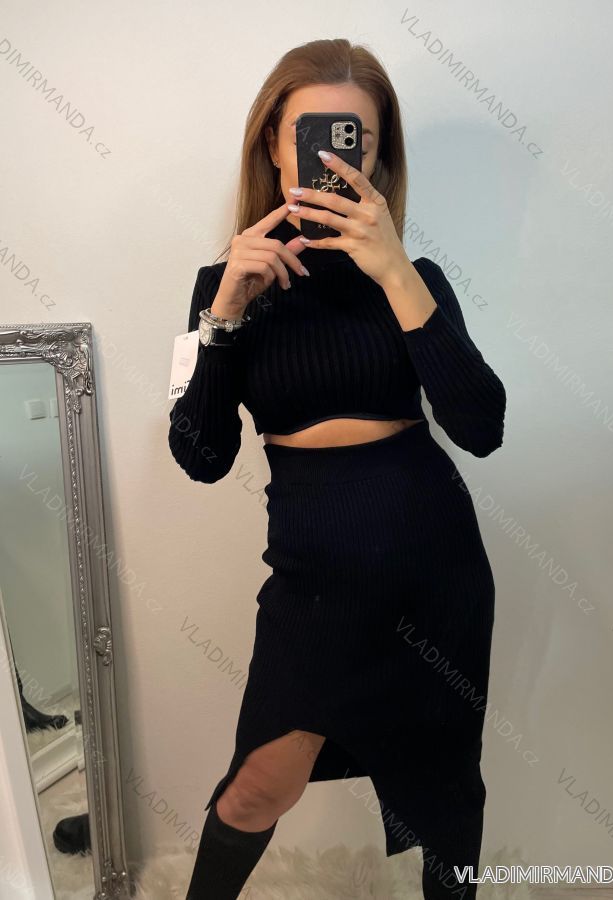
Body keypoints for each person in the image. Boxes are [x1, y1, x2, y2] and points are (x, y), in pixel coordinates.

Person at [168, 37, 506, 900]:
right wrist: (226, 313)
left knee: (443, 794)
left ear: (378, 157)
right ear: (272, 145)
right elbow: (201, 457)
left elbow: (481, 428)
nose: (329, 157)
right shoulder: (224, 283)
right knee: (256, 787)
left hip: (434, 570)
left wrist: (393, 271)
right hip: (314, 579)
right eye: (309, 134)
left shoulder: (412, 277)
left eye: (353, 138)